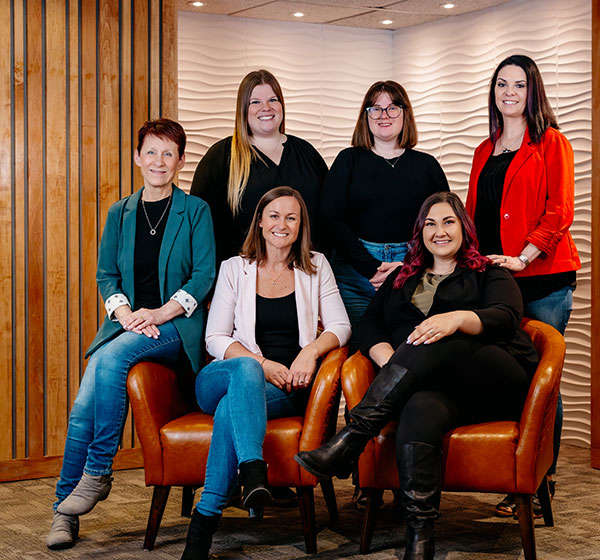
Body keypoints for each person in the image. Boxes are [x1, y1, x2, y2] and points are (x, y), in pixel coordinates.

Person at [295, 192, 538, 560]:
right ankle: (419, 540)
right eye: (430, 224)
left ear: (464, 228)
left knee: (437, 335)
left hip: (493, 381)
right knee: (419, 410)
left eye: (448, 222)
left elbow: (506, 317)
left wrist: (457, 318)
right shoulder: (402, 277)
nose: (439, 232)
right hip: (431, 388)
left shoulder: (489, 272)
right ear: (419, 233)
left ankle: (353, 436)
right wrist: (391, 355)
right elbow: (369, 326)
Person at [46, 119, 216, 550]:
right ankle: (63, 513)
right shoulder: (119, 212)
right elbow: (107, 275)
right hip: (127, 326)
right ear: (137, 157)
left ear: (180, 160)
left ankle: (99, 469)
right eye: (151, 152)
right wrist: (126, 315)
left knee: (109, 359)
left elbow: (202, 276)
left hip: (176, 327)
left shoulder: (195, 210)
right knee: (83, 406)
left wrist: (158, 313)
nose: (159, 161)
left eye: (169, 153)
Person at [178, 186, 350, 560]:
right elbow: (217, 337)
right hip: (223, 376)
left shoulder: (316, 266)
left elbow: (340, 325)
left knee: (229, 412)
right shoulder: (233, 268)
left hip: (285, 389)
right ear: (260, 220)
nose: (282, 224)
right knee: (243, 372)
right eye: (274, 215)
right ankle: (252, 467)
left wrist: (310, 352)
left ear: (301, 225)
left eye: (291, 217)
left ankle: (204, 524)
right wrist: (260, 363)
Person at [466, 54, 580, 518]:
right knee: (511, 374)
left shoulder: (552, 142)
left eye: (519, 85)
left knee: (542, 378)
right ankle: (515, 474)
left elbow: (560, 210)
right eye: (501, 85)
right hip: (498, 282)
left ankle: (539, 484)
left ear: (533, 92)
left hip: (544, 276)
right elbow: (475, 218)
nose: (509, 92)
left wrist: (525, 255)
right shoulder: (483, 149)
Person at [321, 80, 449, 351]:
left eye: (393, 108)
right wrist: (371, 268)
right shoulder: (348, 160)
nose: (384, 116)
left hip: (415, 269)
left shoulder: (427, 165)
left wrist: (407, 265)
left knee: (411, 351)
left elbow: (444, 227)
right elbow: (331, 219)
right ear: (365, 116)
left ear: (405, 114)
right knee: (359, 353)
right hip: (355, 273)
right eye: (375, 109)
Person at [190, 69, 328, 266]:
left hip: (304, 272)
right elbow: (200, 229)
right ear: (243, 109)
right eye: (255, 102)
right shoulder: (221, 157)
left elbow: (330, 217)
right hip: (241, 278)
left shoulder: (306, 153)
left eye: (273, 100)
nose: (266, 108)